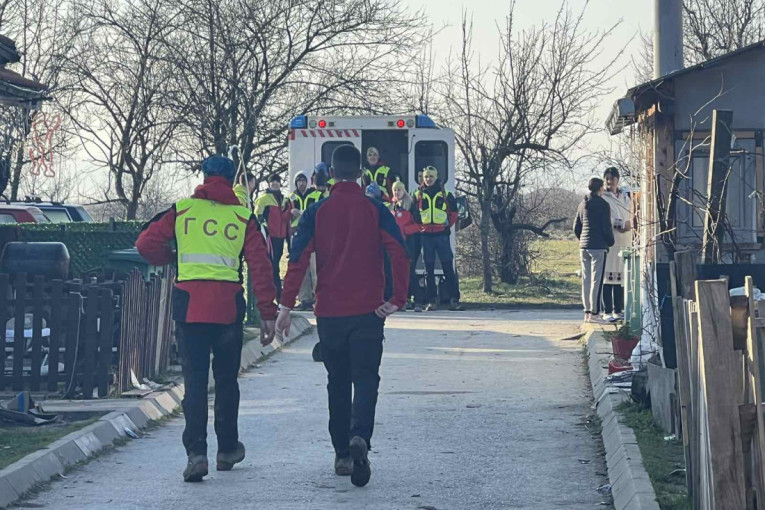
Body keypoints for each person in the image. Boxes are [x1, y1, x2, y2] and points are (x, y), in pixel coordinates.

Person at [135, 155, 277, 482]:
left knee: (195, 381)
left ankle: (196, 453)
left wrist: (174, 258)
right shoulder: (243, 217)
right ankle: (227, 449)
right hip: (227, 307)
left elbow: (145, 243)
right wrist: (267, 314)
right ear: (231, 181)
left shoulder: (182, 210)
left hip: (190, 306)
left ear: (204, 176)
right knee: (226, 381)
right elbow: (260, 267)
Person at [274, 145, 409, 488]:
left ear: (330, 174)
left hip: (331, 313)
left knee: (337, 382)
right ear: (361, 174)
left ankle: (342, 455)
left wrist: (286, 306)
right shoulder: (375, 210)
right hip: (368, 311)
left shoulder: (316, 212)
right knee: (366, 378)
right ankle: (360, 435)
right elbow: (399, 252)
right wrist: (397, 298)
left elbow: (298, 260)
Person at [414, 166, 464, 311]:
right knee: (428, 270)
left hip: (442, 235)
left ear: (436, 177)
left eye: (431, 176)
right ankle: (432, 301)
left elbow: (454, 213)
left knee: (448, 267)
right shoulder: (417, 194)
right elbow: (413, 213)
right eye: (426, 177)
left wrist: (447, 226)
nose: (428, 179)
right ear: (423, 178)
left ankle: (454, 300)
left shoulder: (446, 194)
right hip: (426, 236)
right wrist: (419, 227)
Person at [573, 176, 614, 324]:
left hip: (583, 246)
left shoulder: (582, 204)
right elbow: (606, 227)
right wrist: (610, 242)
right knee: (597, 280)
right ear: (600, 189)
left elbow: (576, 227)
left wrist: (583, 239)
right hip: (598, 247)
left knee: (586, 279)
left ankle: (587, 312)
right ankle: (595, 314)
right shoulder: (603, 204)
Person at [601, 167, 632, 322]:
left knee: (621, 277)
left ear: (617, 180)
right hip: (611, 241)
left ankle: (618, 309)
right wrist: (618, 223)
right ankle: (607, 310)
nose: (609, 182)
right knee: (608, 276)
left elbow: (632, 214)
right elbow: (602, 219)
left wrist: (631, 224)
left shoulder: (625, 197)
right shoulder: (603, 198)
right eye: (607, 178)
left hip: (625, 240)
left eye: (612, 179)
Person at [254, 173, 291, 300]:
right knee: (272, 266)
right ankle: (276, 295)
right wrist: (265, 231)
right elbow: (258, 216)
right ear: (269, 184)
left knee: (275, 264)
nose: (275, 183)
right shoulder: (263, 198)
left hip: (280, 237)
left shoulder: (284, 199)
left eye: (277, 181)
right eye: (272, 181)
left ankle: (276, 294)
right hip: (270, 237)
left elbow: (286, 219)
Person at [290, 170, 323, 312]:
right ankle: (304, 300)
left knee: (315, 268)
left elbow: (320, 211)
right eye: (299, 181)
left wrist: (302, 213)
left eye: (303, 180)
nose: (301, 183)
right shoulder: (290, 197)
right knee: (302, 269)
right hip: (297, 233)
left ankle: (319, 299)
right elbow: (284, 214)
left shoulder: (316, 195)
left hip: (314, 232)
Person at [391, 181, 424, 312]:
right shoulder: (392, 206)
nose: (397, 193)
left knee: (409, 271)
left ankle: (418, 300)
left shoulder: (411, 205)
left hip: (410, 242)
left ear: (403, 191)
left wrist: (405, 231)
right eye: (394, 190)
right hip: (397, 243)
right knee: (398, 273)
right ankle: (403, 300)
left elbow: (419, 225)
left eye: (399, 190)